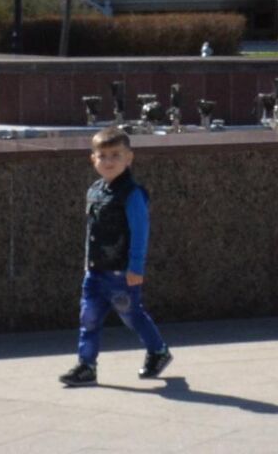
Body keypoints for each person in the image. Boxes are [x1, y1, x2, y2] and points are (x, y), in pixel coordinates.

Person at [60, 127, 172, 386]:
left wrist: (136, 267)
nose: (108, 162)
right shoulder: (95, 191)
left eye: (115, 155)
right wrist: (88, 262)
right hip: (96, 271)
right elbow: (92, 231)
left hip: (122, 271)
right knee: (88, 318)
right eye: (103, 156)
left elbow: (140, 230)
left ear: (129, 158)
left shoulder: (132, 194)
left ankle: (158, 350)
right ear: (93, 159)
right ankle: (86, 365)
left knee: (131, 315)